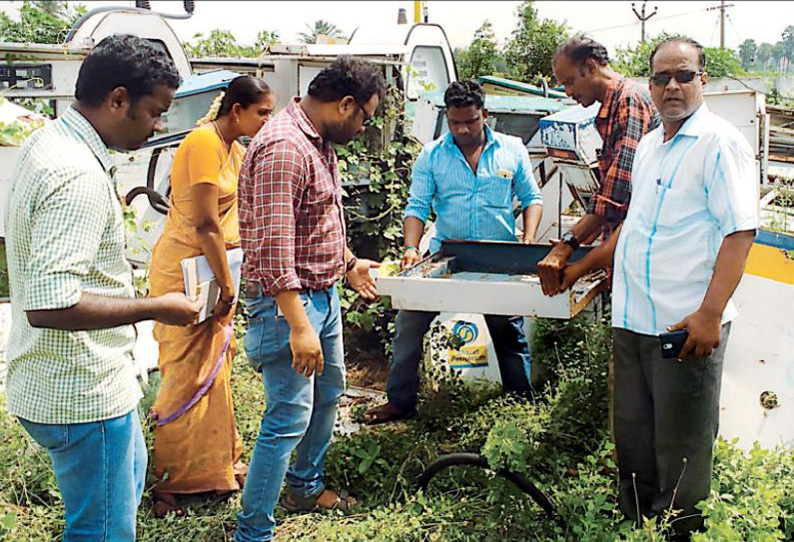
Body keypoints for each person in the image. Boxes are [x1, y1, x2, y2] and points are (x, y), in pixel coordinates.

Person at [3, 35, 202, 542]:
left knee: (121, 495)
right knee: (102, 533)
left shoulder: (50, 142)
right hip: (80, 393)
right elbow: (51, 304)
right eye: (154, 112)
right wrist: (157, 306)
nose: (157, 126)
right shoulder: (75, 175)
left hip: (69, 380)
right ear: (117, 99)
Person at [557, 37, 757, 539]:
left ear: (702, 80)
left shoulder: (719, 143)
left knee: (682, 441)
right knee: (634, 433)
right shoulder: (651, 145)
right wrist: (582, 265)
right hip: (633, 318)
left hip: (683, 323)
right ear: (650, 84)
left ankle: (678, 529)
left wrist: (710, 314)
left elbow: (739, 232)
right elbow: (633, 225)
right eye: (662, 77)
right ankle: (637, 520)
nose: (672, 86)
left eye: (683, 76)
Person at [234, 56, 384, 542]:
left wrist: (348, 262)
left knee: (327, 395)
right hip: (289, 306)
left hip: (321, 295)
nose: (365, 127)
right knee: (287, 416)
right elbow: (276, 251)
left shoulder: (317, 143)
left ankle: (304, 485)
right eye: (365, 116)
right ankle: (253, 531)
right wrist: (300, 326)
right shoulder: (285, 148)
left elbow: (313, 225)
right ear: (345, 104)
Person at [362, 80, 543, 425]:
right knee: (408, 328)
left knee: (509, 335)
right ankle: (400, 402)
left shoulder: (512, 149)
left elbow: (532, 199)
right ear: (447, 117)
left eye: (470, 121)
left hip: (498, 258)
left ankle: (522, 408)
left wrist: (528, 242)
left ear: (485, 115)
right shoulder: (432, 155)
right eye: (455, 122)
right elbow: (417, 206)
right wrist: (411, 249)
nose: (462, 129)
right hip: (445, 256)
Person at [148, 75, 275, 516]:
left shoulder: (235, 149)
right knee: (184, 375)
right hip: (185, 273)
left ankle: (214, 468)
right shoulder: (203, 143)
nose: (267, 120)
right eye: (262, 112)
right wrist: (226, 285)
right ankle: (169, 485)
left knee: (215, 370)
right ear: (236, 111)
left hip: (216, 270)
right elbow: (205, 225)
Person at [538, 35, 658, 295]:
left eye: (570, 81)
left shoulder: (629, 101)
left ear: (591, 67)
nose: (568, 93)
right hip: (624, 257)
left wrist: (567, 245)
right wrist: (585, 233)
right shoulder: (612, 106)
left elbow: (617, 192)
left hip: (643, 264)